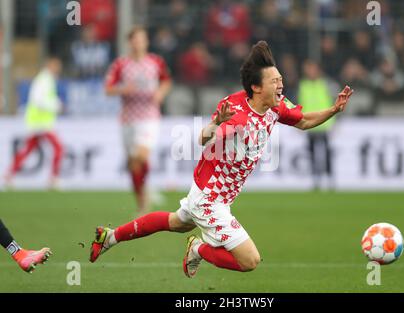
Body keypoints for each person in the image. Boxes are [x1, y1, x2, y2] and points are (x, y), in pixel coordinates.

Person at [90, 41, 353, 277]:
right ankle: (199, 249)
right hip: (209, 199)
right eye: (275, 81)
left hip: (213, 195)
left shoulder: (276, 106)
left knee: (175, 222)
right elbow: (203, 139)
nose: (280, 85)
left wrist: (333, 109)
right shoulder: (235, 113)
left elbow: (305, 121)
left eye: (280, 79)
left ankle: (109, 237)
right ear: (256, 87)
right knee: (250, 260)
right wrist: (216, 123)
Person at [104, 26, 172, 214]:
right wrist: (122, 89)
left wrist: (160, 92)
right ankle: (142, 200)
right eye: (135, 40)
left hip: (149, 116)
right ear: (130, 42)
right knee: (133, 164)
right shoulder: (121, 64)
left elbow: (166, 80)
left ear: (146, 42)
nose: (138, 43)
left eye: (142, 39)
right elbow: (108, 89)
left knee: (141, 156)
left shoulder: (155, 62)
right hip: (128, 118)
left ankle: (145, 195)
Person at [4, 57, 64, 189]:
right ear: (50, 65)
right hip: (40, 122)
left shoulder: (47, 79)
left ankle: (9, 174)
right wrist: (56, 105)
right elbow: (38, 100)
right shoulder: (44, 80)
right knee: (59, 148)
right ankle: (53, 178)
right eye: (56, 65)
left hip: (40, 122)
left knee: (28, 149)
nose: (58, 68)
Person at [298, 60, 335, 190]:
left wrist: (333, 121)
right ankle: (316, 179)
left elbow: (333, 102)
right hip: (310, 124)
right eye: (309, 69)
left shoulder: (325, 84)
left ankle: (330, 179)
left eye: (313, 69)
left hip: (325, 125)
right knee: (312, 153)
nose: (311, 72)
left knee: (326, 153)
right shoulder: (303, 85)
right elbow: (301, 104)